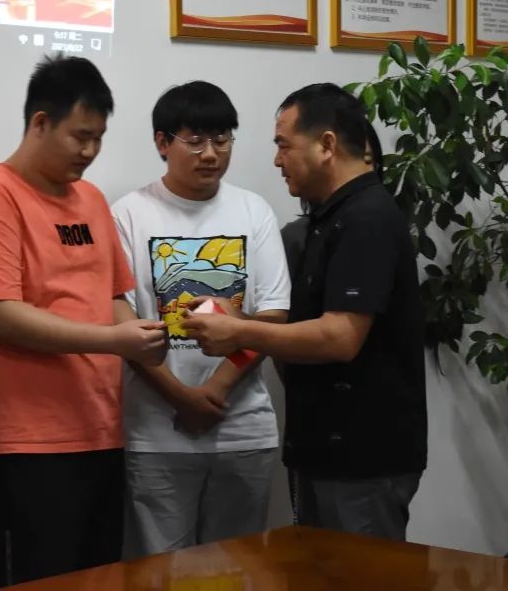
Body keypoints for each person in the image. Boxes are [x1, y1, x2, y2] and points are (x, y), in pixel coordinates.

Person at [0, 54, 167, 588]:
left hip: (98, 428)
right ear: (40, 123)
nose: (90, 151)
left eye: (99, 139)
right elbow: (0, 315)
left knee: (98, 577)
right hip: (22, 441)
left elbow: (111, 295)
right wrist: (115, 341)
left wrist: (141, 337)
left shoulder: (91, 199)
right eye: (80, 136)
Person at [181, 83, 427, 541]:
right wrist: (242, 320)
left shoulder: (368, 217)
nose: (277, 161)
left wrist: (240, 333)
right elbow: (310, 326)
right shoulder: (327, 219)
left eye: (284, 145)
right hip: (324, 450)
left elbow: (339, 338)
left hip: (361, 460)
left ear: (326, 145)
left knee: (358, 575)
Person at [111, 81, 290, 558]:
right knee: (162, 572)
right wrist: (181, 397)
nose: (210, 154)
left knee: (237, 570)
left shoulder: (253, 210)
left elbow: (273, 316)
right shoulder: (128, 214)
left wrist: (214, 392)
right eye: (194, 141)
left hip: (243, 427)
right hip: (157, 431)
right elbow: (120, 318)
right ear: (162, 142)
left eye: (222, 139)